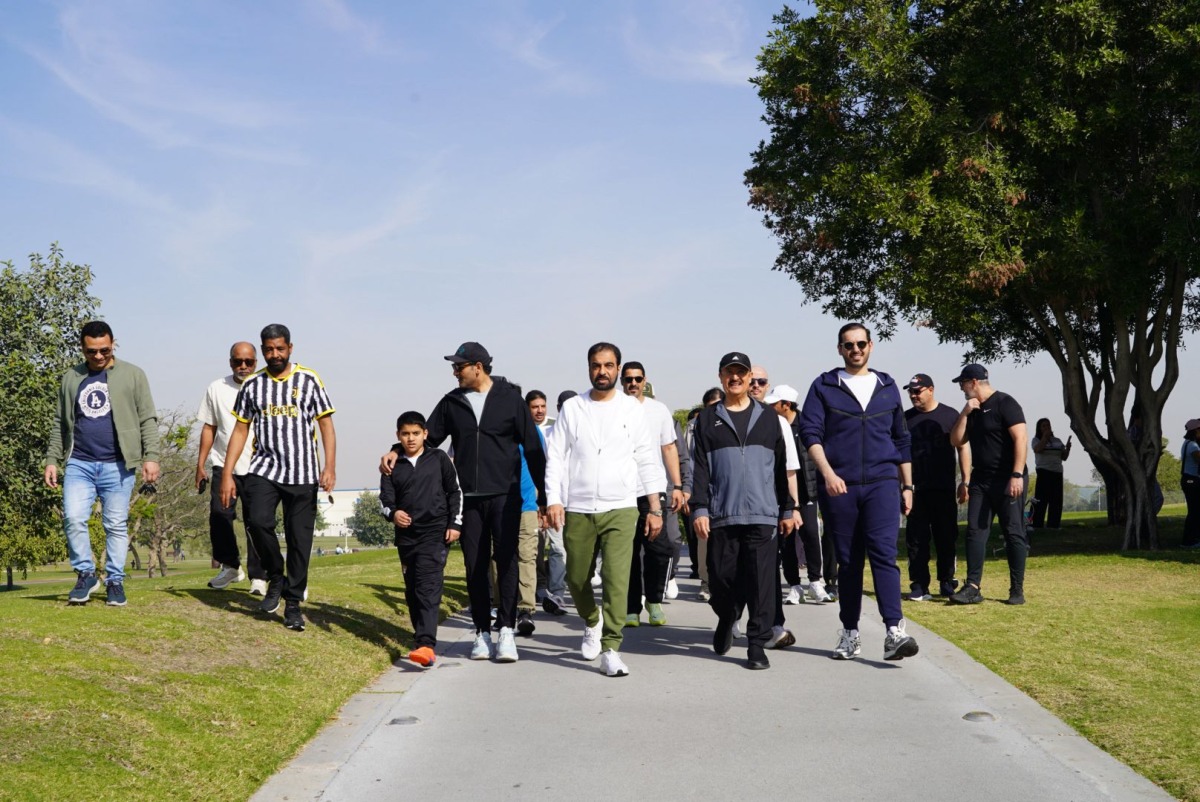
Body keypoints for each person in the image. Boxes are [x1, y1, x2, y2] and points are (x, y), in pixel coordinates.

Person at [381, 342, 546, 663]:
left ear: (478, 367)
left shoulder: (510, 400)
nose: (455, 372)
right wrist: (395, 450)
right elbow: (426, 439)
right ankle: (482, 633)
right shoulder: (452, 402)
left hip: (507, 496)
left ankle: (507, 631)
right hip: (469, 499)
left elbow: (534, 451)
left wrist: (545, 498)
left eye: (459, 367)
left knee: (508, 560)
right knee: (476, 565)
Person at [800, 323, 918, 661]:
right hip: (841, 485)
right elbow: (810, 433)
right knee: (849, 561)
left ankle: (894, 631)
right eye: (849, 345)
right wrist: (828, 474)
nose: (856, 349)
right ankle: (850, 633)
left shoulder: (887, 385)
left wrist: (907, 485)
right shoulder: (824, 386)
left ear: (871, 346)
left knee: (883, 554)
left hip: (883, 482)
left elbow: (901, 439)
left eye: (861, 343)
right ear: (840, 349)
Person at [545, 342, 664, 677]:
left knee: (615, 578)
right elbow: (555, 456)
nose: (603, 372)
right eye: (597, 366)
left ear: (617, 368)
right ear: (588, 368)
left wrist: (654, 507)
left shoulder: (632, 409)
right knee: (576, 576)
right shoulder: (573, 408)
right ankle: (592, 621)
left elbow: (646, 458)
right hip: (579, 506)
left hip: (622, 506)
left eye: (609, 366)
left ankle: (611, 648)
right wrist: (554, 499)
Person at [220, 324, 337, 631]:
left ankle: (293, 604)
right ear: (263, 350)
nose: (274, 354)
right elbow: (241, 429)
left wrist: (329, 467)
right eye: (269, 349)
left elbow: (326, 425)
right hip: (264, 469)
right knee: (257, 522)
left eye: (280, 349)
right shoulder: (253, 385)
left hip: (303, 472)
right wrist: (227, 474)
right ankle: (275, 575)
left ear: (290, 348)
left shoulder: (309, 380)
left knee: (301, 541)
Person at [43, 321, 160, 606]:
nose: (98, 356)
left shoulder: (133, 375)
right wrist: (52, 459)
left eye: (104, 350)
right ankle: (85, 575)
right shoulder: (71, 377)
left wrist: (151, 456)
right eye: (91, 351)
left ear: (113, 345)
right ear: (82, 348)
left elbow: (147, 418)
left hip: (118, 464)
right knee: (73, 519)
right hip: (79, 463)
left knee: (116, 526)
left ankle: (115, 582)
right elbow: (60, 422)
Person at [692, 352, 796, 670]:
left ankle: (756, 644)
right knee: (720, 578)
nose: (735, 378)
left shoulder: (769, 419)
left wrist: (788, 508)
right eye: (729, 372)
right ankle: (727, 616)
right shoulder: (707, 420)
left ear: (750, 377)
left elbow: (780, 468)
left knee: (762, 582)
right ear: (721, 376)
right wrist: (699, 508)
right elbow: (699, 468)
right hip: (722, 513)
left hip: (763, 515)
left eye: (741, 372)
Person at [379, 410, 463, 667]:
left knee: (428, 585)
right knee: (413, 589)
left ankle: (426, 645)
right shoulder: (390, 466)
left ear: (425, 434)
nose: (411, 438)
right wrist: (394, 514)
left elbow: (455, 492)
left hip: (435, 533)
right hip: (406, 538)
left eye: (416, 433)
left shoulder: (439, 459)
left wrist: (455, 523)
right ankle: (421, 637)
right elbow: (384, 501)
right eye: (405, 434)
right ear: (398, 436)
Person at [948, 364, 1028, 605]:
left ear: (973, 382)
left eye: (962, 383)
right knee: (974, 531)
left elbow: (1021, 438)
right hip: (981, 480)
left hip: (1007, 478)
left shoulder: (1006, 403)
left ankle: (1016, 590)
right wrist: (964, 413)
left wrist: (1016, 474)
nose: (961, 388)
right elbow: (956, 440)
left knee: (1013, 532)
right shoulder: (971, 410)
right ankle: (972, 587)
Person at [195, 342, 268, 595]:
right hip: (222, 463)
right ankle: (230, 566)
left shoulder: (266, 387)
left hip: (259, 466)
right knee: (219, 516)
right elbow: (209, 427)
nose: (243, 366)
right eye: (238, 362)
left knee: (256, 521)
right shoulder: (216, 388)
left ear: (256, 363)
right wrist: (200, 464)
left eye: (248, 362)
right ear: (230, 362)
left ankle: (259, 576)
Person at [620, 361, 684, 628]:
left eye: (637, 379)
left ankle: (654, 600)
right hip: (622, 491)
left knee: (660, 547)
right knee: (628, 552)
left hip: (653, 490)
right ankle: (631, 606)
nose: (633, 384)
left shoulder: (658, 410)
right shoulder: (613, 409)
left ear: (644, 380)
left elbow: (669, 448)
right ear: (621, 382)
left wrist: (678, 486)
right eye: (628, 379)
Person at [902, 373, 971, 600]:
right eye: (910, 391)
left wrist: (965, 481)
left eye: (917, 391)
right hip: (915, 491)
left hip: (943, 488)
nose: (913, 395)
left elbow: (963, 447)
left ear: (931, 390)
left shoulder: (950, 415)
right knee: (916, 539)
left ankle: (947, 581)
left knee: (946, 537)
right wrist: (904, 486)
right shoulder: (905, 419)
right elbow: (900, 455)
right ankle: (919, 584)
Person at [764, 384, 833, 604]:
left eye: (775, 403)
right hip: (782, 495)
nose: (771, 407)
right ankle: (794, 585)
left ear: (786, 405)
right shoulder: (773, 426)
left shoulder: (808, 426)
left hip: (807, 493)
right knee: (787, 540)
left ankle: (815, 581)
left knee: (812, 535)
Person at [1031, 418, 1072, 530]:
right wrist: (1045, 437)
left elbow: (1064, 457)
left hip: (1057, 472)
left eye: (1048, 425)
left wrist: (1067, 448)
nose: (1046, 428)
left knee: (1056, 500)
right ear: (1039, 428)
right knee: (1041, 499)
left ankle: (1053, 525)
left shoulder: (1057, 441)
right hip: (1044, 471)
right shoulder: (1036, 440)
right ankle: (1036, 524)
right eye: (1043, 426)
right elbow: (1038, 449)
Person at [1180, 419, 1200, 548]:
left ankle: (1193, 538)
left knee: (1195, 510)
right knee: (1194, 511)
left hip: (1188, 479)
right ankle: (1189, 541)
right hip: (1192, 480)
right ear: (1195, 431)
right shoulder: (1193, 446)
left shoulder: (1186, 443)